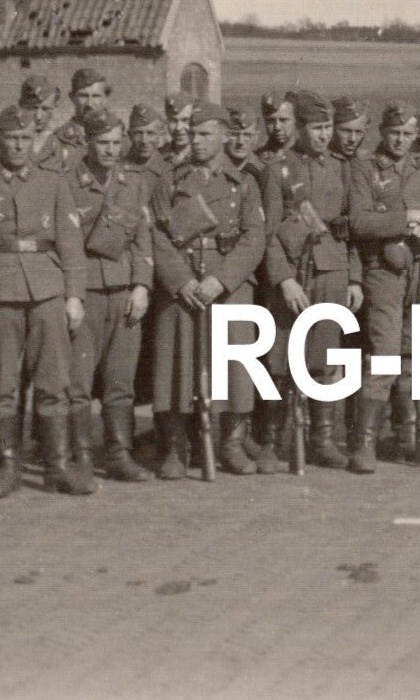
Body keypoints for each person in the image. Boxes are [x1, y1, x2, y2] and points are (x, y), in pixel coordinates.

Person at [0, 106, 92, 500]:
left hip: (47, 289)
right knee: (0, 384)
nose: (18, 145)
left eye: (25, 138)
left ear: (34, 140)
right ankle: (7, 465)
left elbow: (70, 243)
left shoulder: (53, 181)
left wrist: (74, 295)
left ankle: (57, 466)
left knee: (54, 382)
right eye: (11, 138)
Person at [148, 101, 267, 479]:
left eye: (205, 134)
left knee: (236, 364)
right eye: (192, 134)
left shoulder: (244, 183)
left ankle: (231, 443)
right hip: (182, 280)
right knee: (177, 363)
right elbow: (156, 236)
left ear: (224, 136)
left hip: (227, 281)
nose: (196, 141)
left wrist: (222, 279)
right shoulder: (170, 180)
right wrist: (181, 280)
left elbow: (254, 237)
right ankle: (176, 447)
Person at [346, 104, 420, 472]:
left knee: (415, 356)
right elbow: (359, 221)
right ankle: (364, 442)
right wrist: (408, 218)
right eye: (395, 133)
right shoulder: (365, 168)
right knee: (386, 355)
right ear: (382, 132)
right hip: (384, 273)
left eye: (408, 134)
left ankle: (408, 437)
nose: (401, 140)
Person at [264, 91, 357, 469]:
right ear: (299, 128)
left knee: (324, 358)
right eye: (316, 128)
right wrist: (284, 279)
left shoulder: (340, 166)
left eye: (328, 127)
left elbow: (350, 229)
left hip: (332, 270)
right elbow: (268, 233)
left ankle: (322, 439)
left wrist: (355, 279)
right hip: (293, 274)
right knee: (280, 359)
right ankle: (273, 440)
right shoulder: (278, 168)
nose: (323, 135)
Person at [66, 108, 155, 484]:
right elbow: (65, 243)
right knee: (78, 383)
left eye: (117, 143)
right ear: (87, 142)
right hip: (85, 293)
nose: (110, 150)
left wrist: (142, 286)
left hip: (123, 293)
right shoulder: (68, 182)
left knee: (121, 382)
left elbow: (142, 238)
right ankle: (81, 454)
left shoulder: (132, 182)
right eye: (102, 142)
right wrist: (72, 295)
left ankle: (119, 452)